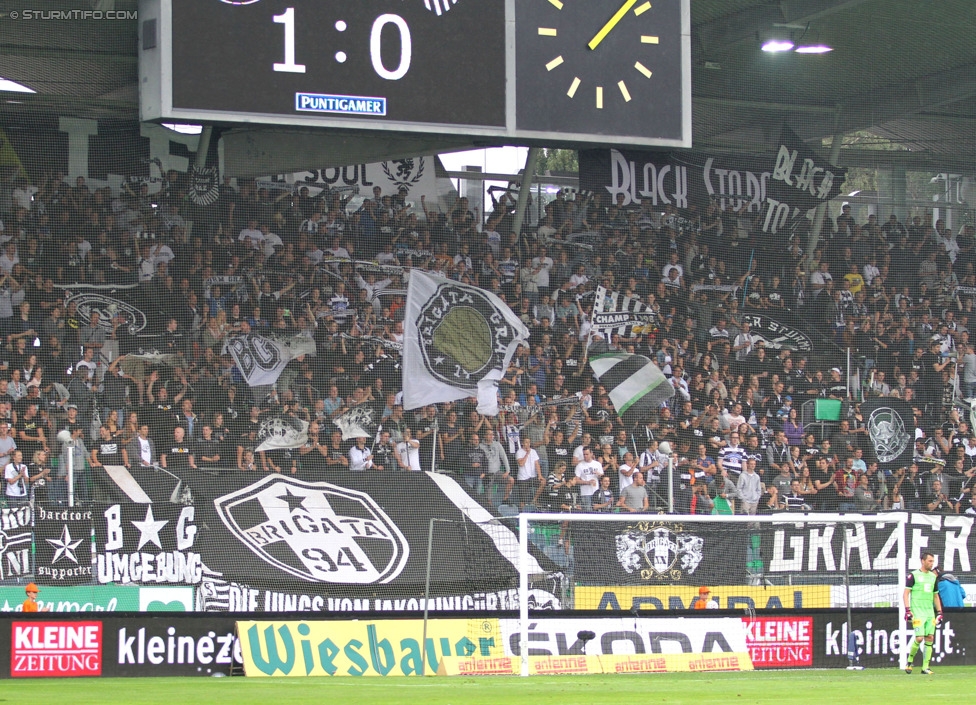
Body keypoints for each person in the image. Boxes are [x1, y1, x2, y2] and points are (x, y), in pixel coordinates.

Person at [903, 551, 944, 675]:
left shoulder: (933, 577)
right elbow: (906, 593)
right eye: (930, 561)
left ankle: (925, 667)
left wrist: (940, 612)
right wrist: (908, 610)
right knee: (919, 638)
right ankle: (909, 661)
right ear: (923, 560)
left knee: (930, 637)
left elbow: (936, 596)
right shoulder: (913, 575)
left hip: (929, 612)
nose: (932, 564)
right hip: (917, 612)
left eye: (933, 561)